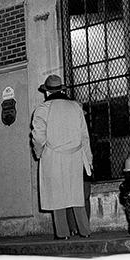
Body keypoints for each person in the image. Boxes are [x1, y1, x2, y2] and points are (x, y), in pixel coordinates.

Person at [30, 74, 93, 240]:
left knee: (56, 195)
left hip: (53, 156)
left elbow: (38, 137)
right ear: (61, 89)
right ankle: (85, 230)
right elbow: (84, 136)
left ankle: (63, 233)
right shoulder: (75, 107)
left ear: (46, 92)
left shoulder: (42, 109)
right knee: (76, 195)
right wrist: (88, 160)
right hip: (75, 156)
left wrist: (39, 153)